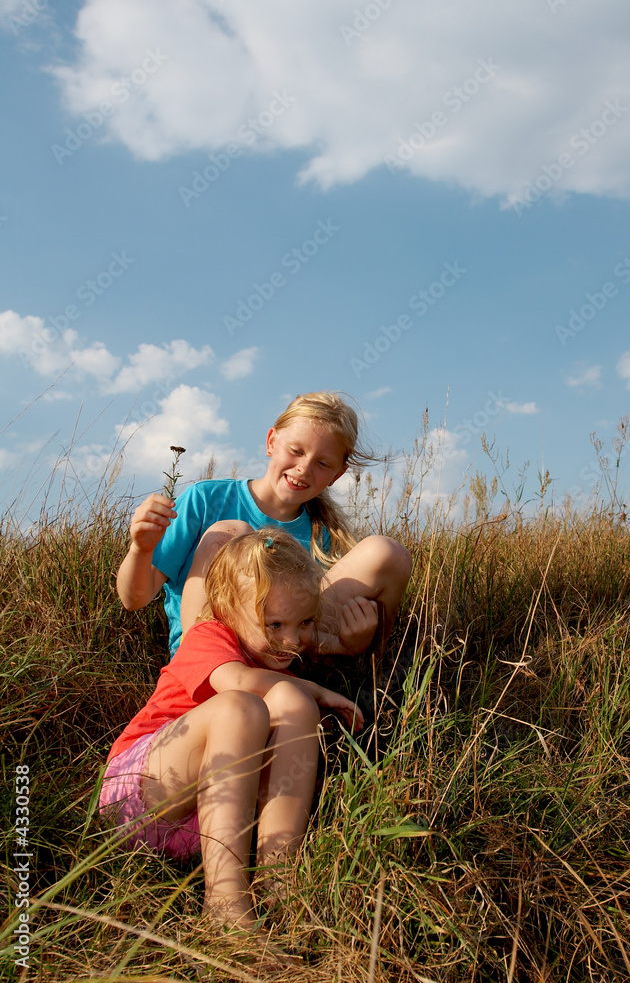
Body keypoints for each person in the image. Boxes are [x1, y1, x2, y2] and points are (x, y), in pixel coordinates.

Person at [100, 528, 364, 932]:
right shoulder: (208, 636)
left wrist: (306, 696)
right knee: (243, 708)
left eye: (304, 623)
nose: (291, 640)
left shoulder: (278, 667)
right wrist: (316, 689)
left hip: (201, 829)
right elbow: (238, 682)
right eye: (274, 624)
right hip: (139, 796)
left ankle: (279, 884)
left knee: (294, 704)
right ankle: (225, 908)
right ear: (227, 608)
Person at [116, 391, 411, 658]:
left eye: (323, 464)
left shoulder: (324, 534)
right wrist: (141, 548)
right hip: (216, 653)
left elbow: (305, 627)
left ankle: (375, 674)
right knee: (232, 534)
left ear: (337, 475)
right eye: (296, 451)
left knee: (387, 553)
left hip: (286, 653)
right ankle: (202, 667)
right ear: (272, 441)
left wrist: (354, 640)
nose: (304, 468)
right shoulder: (206, 500)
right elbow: (134, 599)